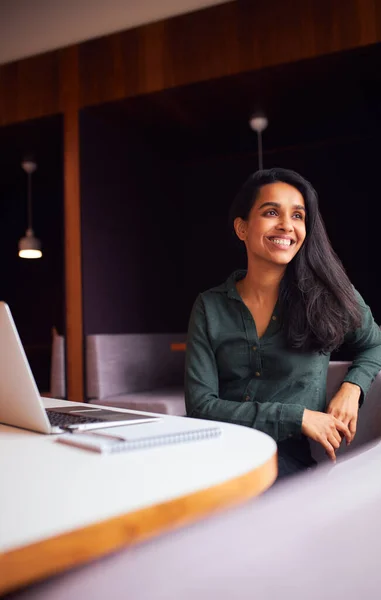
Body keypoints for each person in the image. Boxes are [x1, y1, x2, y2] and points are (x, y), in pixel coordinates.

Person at [185, 168, 381, 479]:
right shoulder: (209, 306)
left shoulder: (329, 297)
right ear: (242, 228)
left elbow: (375, 343)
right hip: (210, 451)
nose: (287, 225)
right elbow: (200, 407)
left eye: (298, 216)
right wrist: (297, 416)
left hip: (283, 464)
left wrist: (352, 387)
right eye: (271, 212)